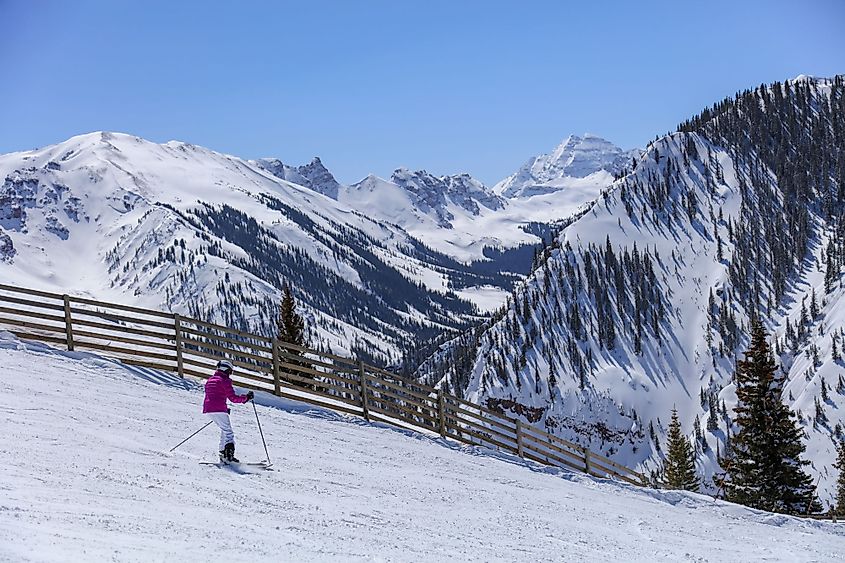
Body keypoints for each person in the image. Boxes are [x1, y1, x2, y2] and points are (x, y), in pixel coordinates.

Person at [203, 359, 254, 462]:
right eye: (230, 371)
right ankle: (228, 457)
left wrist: (224, 409)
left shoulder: (210, 380)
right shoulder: (224, 380)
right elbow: (233, 398)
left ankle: (223, 453)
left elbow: (214, 396)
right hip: (218, 410)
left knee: (224, 430)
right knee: (229, 433)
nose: (230, 374)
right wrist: (246, 398)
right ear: (225, 369)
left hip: (208, 409)